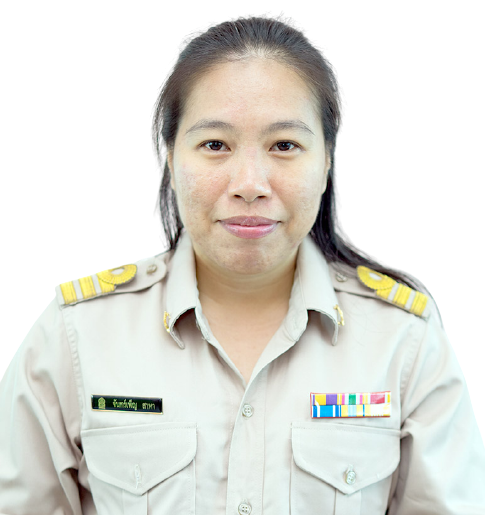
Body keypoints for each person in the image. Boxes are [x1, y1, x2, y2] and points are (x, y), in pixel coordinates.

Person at [1, 13, 483, 515]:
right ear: (170, 158)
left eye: (284, 145)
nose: (250, 183)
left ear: (325, 162)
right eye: (215, 145)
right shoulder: (76, 335)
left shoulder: (403, 339)